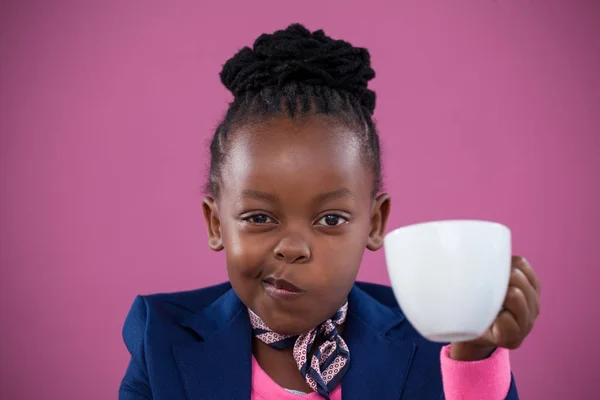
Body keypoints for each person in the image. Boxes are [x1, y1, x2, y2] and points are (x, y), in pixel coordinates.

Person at [119, 24, 541, 399]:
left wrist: (474, 356)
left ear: (374, 223)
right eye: (260, 218)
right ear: (216, 224)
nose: (293, 248)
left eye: (331, 219)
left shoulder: (437, 345)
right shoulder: (160, 339)